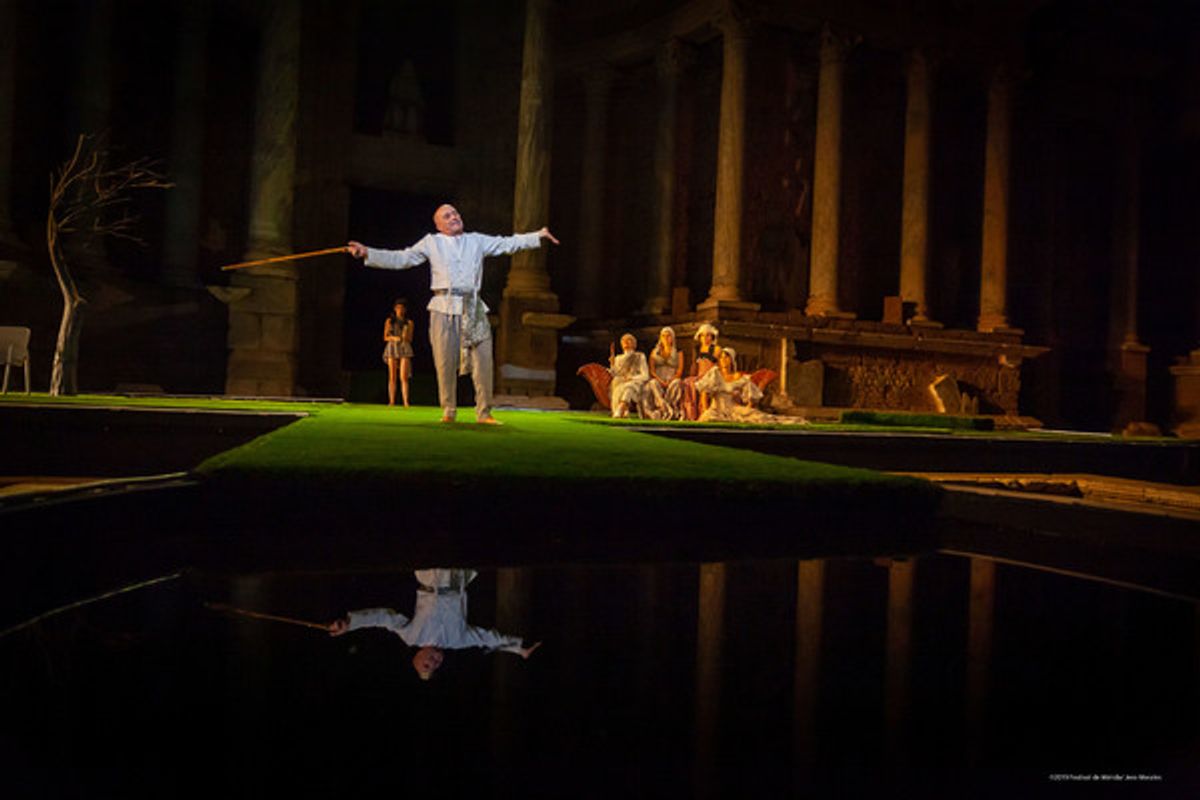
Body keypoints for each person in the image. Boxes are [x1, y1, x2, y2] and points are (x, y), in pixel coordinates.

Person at [348, 205, 560, 424]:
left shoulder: (476, 240)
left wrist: (537, 235)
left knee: (484, 360)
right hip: (443, 305)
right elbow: (403, 258)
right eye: (447, 216)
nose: (454, 218)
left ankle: (484, 413)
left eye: (456, 214)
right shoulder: (432, 242)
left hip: (473, 306)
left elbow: (507, 243)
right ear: (439, 225)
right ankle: (449, 410)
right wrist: (368, 252)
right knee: (445, 361)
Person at [327, 568, 541, 681]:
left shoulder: (412, 637)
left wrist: (349, 623)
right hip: (459, 577)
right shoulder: (458, 641)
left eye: (426, 664)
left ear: (417, 657)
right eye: (436, 666)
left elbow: (383, 617)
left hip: (430, 575)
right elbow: (488, 638)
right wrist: (518, 648)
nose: (434, 662)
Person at [695, 347, 805, 424]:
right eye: (721, 357)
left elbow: (751, 394)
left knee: (758, 417)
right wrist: (705, 409)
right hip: (716, 409)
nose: (724, 360)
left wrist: (747, 407)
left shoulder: (738, 376)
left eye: (726, 357)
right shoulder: (714, 373)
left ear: (732, 360)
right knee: (710, 419)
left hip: (732, 408)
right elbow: (704, 392)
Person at [645, 326, 684, 420]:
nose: (666, 338)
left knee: (677, 383)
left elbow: (680, 370)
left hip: (672, 378)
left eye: (668, 336)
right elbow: (652, 370)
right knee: (652, 383)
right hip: (659, 378)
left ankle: (663, 410)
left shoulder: (679, 352)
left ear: (672, 338)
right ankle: (665, 409)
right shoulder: (654, 352)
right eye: (663, 336)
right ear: (660, 338)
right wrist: (660, 381)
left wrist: (671, 380)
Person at [382, 297, 414, 407]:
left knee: (404, 377)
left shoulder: (409, 323)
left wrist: (405, 335)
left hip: (404, 348)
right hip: (392, 347)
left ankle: (406, 401)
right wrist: (394, 338)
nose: (400, 310)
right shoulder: (389, 321)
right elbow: (385, 337)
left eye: (402, 308)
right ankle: (391, 401)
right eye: (398, 308)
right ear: (395, 309)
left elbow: (410, 338)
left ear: (405, 310)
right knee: (392, 376)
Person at [609, 332, 649, 419]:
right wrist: (612, 365)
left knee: (630, 387)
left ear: (634, 344)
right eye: (623, 341)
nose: (626, 342)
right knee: (622, 386)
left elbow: (645, 375)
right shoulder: (618, 358)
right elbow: (615, 374)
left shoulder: (639, 356)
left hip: (636, 382)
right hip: (622, 382)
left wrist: (632, 378)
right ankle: (623, 409)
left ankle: (621, 408)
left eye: (629, 340)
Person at [691, 322, 722, 417]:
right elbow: (694, 365)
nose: (705, 338)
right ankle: (692, 413)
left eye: (708, 335)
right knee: (689, 383)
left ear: (712, 336)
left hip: (711, 376)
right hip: (700, 375)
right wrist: (692, 375)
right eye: (703, 336)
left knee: (705, 387)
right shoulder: (697, 349)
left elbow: (719, 365)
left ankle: (705, 413)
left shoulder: (716, 348)